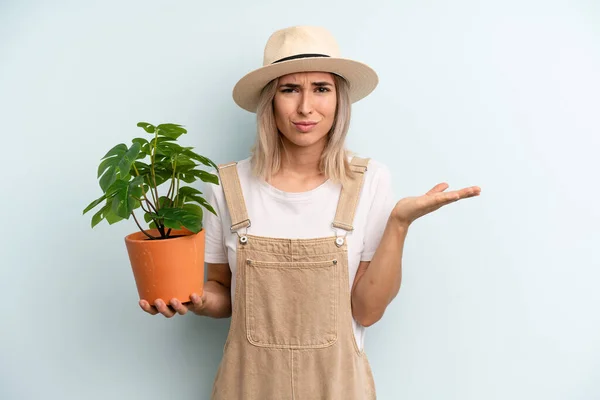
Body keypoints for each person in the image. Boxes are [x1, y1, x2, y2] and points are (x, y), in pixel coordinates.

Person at [140, 25, 481, 399]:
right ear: (270, 100)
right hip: (248, 388)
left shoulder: (369, 182)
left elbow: (367, 312)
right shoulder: (226, 184)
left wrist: (399, 223)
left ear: (339, 99)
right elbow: (222, 290)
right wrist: (200, 300)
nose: (306, 107)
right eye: (290, 89)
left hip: (338, 388)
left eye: (321, 88)